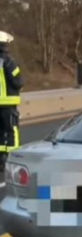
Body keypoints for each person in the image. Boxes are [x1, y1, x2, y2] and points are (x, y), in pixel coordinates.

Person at [0, 31, 23, 169]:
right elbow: (18, 81)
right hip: (8, 103)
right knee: (11, 130)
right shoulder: (8, 61)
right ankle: (13, 159)